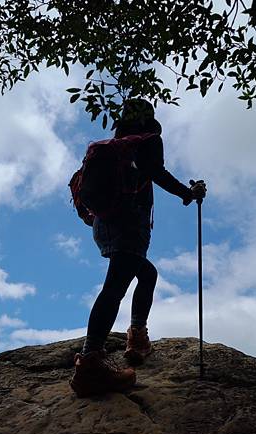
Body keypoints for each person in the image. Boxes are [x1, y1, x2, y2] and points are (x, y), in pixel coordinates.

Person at [69, 98, 207, 398]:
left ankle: (136, 338)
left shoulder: (113, 147)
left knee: (146, 275)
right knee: (116, 286)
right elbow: (157, 172)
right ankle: (91, 362)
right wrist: (188, 193)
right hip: (129, 222)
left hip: (103, 224)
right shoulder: (148, 141)